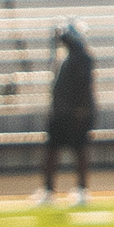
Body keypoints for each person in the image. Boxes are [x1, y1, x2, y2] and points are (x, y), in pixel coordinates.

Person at [37, 17, 99, 207]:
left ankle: (81, 189)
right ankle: (49, 189)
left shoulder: (82, 57)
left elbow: (84, 86)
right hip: (62, 111)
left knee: (79, 150)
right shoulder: (67, 56)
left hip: (75, 112)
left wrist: (81, 111)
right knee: (53, 150)